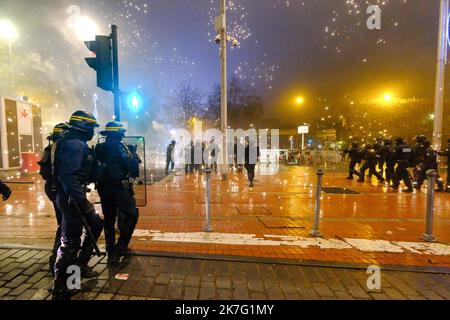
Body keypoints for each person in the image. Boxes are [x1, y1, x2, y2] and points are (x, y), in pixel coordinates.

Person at [52, 111, 103, 300]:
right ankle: (61, 286)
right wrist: (80, 200)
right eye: (91, 128)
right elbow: (68, 176)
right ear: (83, 127)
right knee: (70, 242)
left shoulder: (70, 140)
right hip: (71, 198)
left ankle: (78, 268)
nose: (92, 131)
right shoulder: (75, 144)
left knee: (92, 227)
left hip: (69, 197)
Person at [95, 122, 140, 265]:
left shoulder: (99, 147)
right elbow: (131, 166)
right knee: (132, 214)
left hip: (103, 188)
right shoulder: (120, 147)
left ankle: (110, 249)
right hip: (120, 188)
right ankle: (120, 247)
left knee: (109, 218)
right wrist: (133, 154)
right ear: (119, 133)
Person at [38, 123, 69, 274]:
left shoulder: (49, 149)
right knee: (66, 226)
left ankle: (57, 261)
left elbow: (43, 172)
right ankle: (57, 262)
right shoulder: (60, 150)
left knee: (63, 225)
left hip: (52, 189)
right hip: (59, 190)